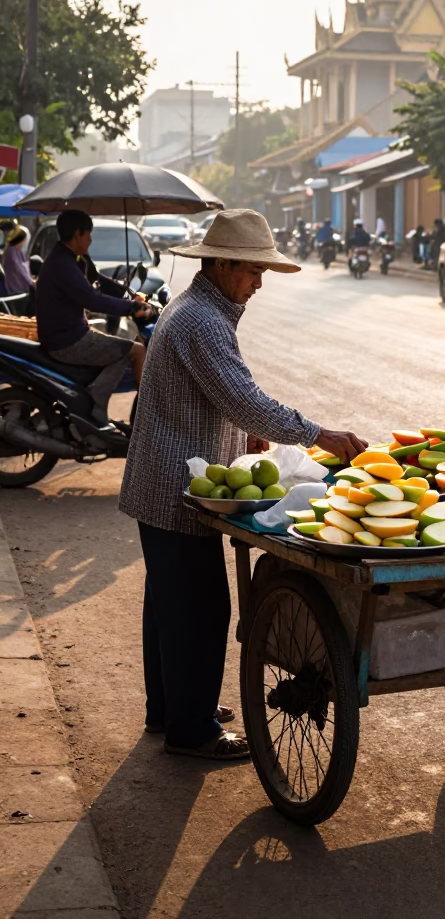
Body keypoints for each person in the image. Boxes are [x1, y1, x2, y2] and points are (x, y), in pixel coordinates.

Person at [119, 209, 366, 761]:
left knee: (168, 605)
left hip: (165, 480)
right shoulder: (202, 321)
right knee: (201, 609)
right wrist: (316, 434)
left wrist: (243, 434)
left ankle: (173, 708)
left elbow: (217, 398)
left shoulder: (198, 309)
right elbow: (242, 396)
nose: (258, 284)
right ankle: (192, 729)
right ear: (224, 263)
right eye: (253, 272)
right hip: (174, 486)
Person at [35, 210, 152, 427]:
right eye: (88, 235)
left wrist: (128, 294)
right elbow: (92, 300)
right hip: (68, 340)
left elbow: (96, 279)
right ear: (77, 234)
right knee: (136, 350)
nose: (90, 241)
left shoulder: (69, 259)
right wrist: (131, 308)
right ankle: (99, 402)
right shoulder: (63, 265)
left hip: (68, 334)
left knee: (117, 342)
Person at [2, 225, 32, 295]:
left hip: (20, 287)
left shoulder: (17, 250)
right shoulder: (11, 250)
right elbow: (19, 268)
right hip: (16, 289)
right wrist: (30, 282)